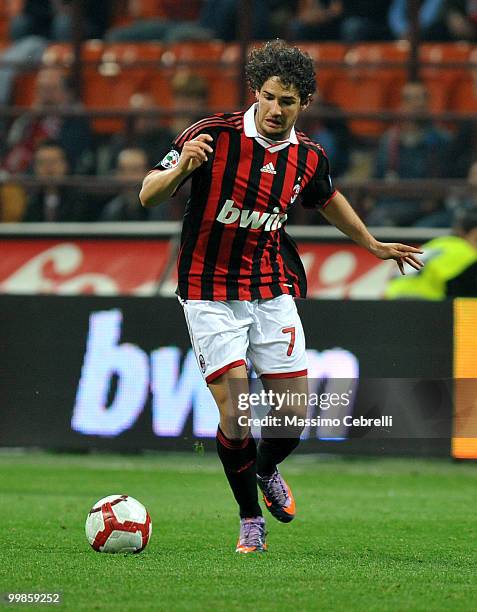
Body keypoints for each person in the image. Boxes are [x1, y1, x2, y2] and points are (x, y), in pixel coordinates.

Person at [139, 40, 423, 553]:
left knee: (293, 415)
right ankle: (250, 519)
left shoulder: (308, 156)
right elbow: (147, 193)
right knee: (236, 410)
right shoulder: (212, 135)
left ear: (304, 104)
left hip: (270, 288)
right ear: (256, 92)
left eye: (287, 101)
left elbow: (328, 198)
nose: (275, 109)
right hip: (208, 289)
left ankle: (266, 469)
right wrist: (180, 168)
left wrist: (373, 244)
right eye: (269, 97)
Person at [367, 81, 452, 227]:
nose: (418, 104)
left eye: (422, 98)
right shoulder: (388, 140)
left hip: (427, 207)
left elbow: (448, 179)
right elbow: (377, 176)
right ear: (402, 104)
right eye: (410, 99)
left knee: (425, 227)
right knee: (377, 220)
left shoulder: (442, 140)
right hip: (392, 203)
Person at [1, 66, 93, 175]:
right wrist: (32, 119)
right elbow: (11, 144)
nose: (45, 95)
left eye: (51, 89)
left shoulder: (76, 120)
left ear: (66, 93)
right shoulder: (28, 119)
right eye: (41, 89)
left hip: (47, 177)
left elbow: (69, 158)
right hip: (13, 174)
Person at [386, 208, 477, 299]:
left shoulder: (437, 243)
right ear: (475, 233)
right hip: (425, 303)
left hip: (391, 300)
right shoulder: (468, 254)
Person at [21, 139, 89, 222]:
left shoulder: (81, 201)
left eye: (53, 162)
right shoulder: (29, 201)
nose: (49, 168)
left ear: (65, 165)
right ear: (34, 168)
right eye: (42, 163)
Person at [99, 148, 151, 221]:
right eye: (123, 171)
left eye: (135, 170)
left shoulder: (160, 209)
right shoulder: (111, 211)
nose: (128, 177)